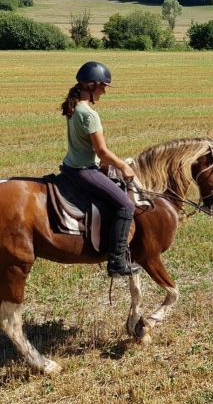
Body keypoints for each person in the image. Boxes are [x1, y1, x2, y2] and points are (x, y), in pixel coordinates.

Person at [60, 61, 136, 277]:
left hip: (70, 168)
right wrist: (122, 165)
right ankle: (117, 262)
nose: (105, 91)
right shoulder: (89, 115)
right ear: (92, 86)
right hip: (84, 171)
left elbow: (90, 149)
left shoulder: (74, 108)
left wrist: (103, 164)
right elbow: (102, 151)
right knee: (126, 205)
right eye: (103, 86)